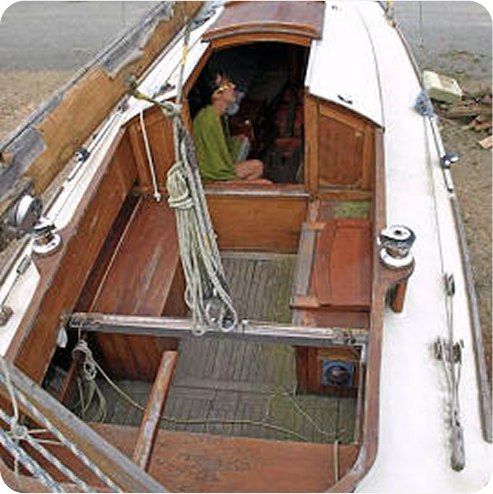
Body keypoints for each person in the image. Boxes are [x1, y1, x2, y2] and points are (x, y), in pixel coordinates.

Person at [193, 73, 270, 183]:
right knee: (265, 184)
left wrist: (236, 141)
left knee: (258, 166)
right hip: (212, 177)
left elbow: (221, 150)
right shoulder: (208, 120)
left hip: (220, 171)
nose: (233, 86)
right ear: (217, 94)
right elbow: (211, 166)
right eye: (228, 84)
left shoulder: (219, 116)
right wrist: (233, 181)